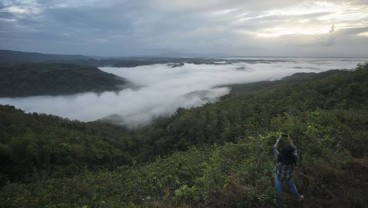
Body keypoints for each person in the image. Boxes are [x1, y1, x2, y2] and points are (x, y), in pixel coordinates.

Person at [273, 133, 304, 207]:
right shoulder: (294, 158)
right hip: (288, 177)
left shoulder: (279, 156)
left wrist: (279, 139)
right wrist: (289, 139)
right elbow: (294, 148)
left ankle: (279, 203)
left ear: (283, 151)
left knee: (278, 191)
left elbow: (274, 148)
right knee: (292, 187)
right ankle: (298, 197)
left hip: (279, 176)